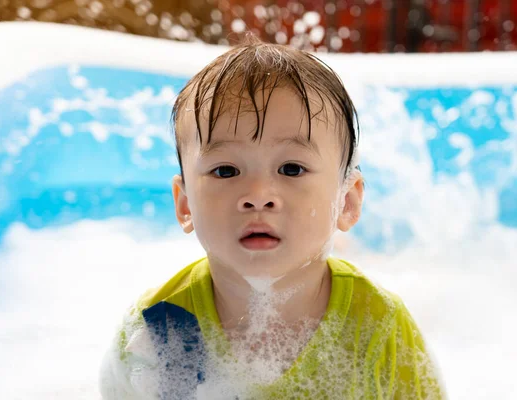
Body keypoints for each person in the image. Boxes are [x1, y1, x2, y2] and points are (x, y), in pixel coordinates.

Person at [99, 34, 445, 399]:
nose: (258, 197)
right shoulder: (161, 330)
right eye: (226, 171)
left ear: (346, 202)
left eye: (292, 169)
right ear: (185, 205)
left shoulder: (376, 326)